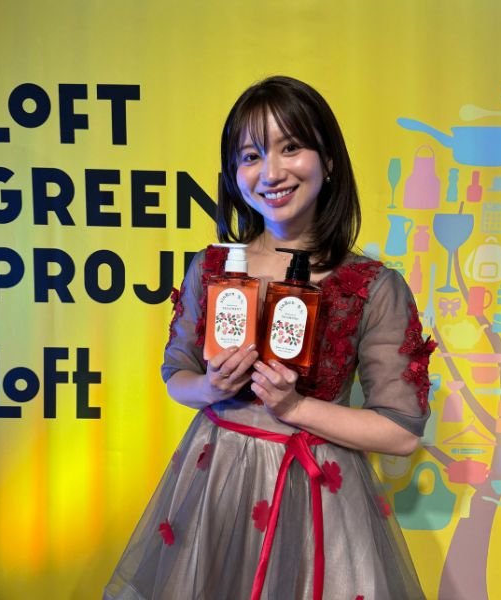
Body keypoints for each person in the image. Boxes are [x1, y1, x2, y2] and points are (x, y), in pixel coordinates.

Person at [103, 75, 436, 600]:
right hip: (216, 487)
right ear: (234, 174)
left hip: (319, 495)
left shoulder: (372, 286)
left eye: (291, 147)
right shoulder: (211, 267)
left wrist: (296, 408)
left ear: (328, 160)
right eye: (251, 155)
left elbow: (401, 432)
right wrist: (210, 387)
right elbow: (176, 374)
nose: (272, 172)